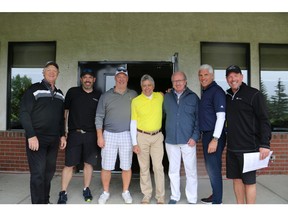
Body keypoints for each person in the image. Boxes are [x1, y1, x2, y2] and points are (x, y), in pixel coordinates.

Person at [19, 61, 66, 204]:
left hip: (53, 140)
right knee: (38, 173)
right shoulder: (34, 89)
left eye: (55, 71)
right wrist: (31, 135)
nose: (52, 72)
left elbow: (60, 117)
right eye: (49, 70)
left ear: (57, 74)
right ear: (43, 72)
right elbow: (24, 113)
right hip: (37, 139)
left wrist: (62, 135)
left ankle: (45, 201)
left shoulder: (60, 94)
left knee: (48, 173)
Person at [225, 65, 271, 204]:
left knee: (249, 182)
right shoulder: (227, 96)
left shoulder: (254, 94)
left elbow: (264, 120)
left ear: (242, 77)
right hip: (232, 148)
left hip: (249, 148)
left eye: (236, 75)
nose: (233, 79)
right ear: (227, 79)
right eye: (230, 76)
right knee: (236, 179)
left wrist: (264, 144)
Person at [57, 68, 101, 204]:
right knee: (69, 164)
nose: (87, 79)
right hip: (74, 134)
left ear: (94, 80)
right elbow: (64, 114)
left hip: (91, 135)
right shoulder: (72, 92)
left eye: (90, 77)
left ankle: (86, 189)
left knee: (88, 164)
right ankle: (63, 192)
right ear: (81, 79)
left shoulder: (99, 95)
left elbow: (101, 116)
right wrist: (62, 134)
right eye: (85, 77)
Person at [95, 66, 137, 204]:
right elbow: (99, 117)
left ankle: (125, 191)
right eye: (119, 77)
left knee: (126, 166)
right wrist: (99, 136)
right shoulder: (106, 96)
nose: (121, 79)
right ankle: (105, 192)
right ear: (115, 78)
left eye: (123, 77)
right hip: (109, 135)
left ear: (127, 79)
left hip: (127, 134)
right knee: (106, 166)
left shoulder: (134, 94)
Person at [163, 71, 200, 204]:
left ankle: (192, 198)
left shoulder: (194, 97)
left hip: (188, 141)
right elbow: (161, 117)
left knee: (190, 171)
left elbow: (198, 120)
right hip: (171, 140)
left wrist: (195, 137)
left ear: (185, 81)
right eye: (175, 81)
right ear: (172, 83)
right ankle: (175, 196)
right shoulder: (166, 97)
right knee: (173, 170)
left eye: (180, 80)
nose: (177, 83)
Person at [130, 74, 165, 204]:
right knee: (144, 168)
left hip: (157, 137)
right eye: (144, 86)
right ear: (141, 87)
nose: (147, 88)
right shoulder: (136, 101)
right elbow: (133, 122)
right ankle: (146, 195)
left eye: (149, 85)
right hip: (142, 136)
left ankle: (160, 196)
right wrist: (134, 143)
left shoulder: (160, 97)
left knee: (158, 167)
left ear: (153, 86)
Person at [198, 64, 226, 204]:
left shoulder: (217, 92)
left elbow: (221, 117)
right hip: (208, 135)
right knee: (212, 168)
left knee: (213, 168)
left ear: (212, 75)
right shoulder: (207, 91)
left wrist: (215, 139)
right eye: (201, 75)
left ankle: (217, 201)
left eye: (206, 75)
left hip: (214, 136)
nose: (203, 78)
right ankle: (215, 195)